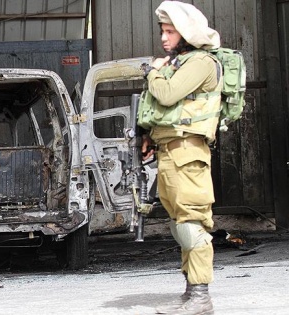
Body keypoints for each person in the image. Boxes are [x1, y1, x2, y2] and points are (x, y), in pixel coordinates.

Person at [140, 1, 222, 314]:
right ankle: (191, 293)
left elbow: (167, 94)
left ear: (186, 33)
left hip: (188, 152)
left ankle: (202, 298)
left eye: (170, 31)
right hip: (171, 151)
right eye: (162, 30)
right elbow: (167, 109)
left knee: (192, 224)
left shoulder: (201, 62)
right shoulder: (184, 62)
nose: (164, 36)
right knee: (179, 224)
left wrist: (153, 73)